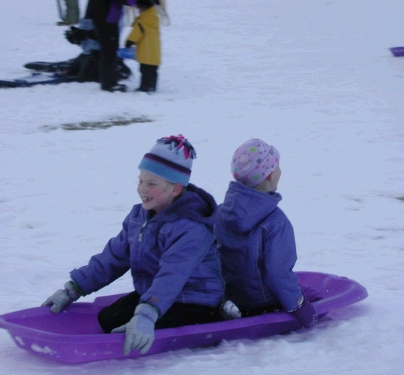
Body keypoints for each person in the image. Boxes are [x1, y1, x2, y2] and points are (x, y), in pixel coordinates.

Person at [43, 135, 224, 356]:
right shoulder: (140, 216)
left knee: (126, 331)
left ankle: (215, 316)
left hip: (194, 300)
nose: (142, 189)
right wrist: (73, 289)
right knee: (108, 319)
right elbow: (114, 257)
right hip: (156, 293)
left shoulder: (190, 227)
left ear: (175, 190)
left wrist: (146, 315)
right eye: (140, 181)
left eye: (151, 184)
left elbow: (172, 276)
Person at [214, 138, 318, 328]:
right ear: (270, 175)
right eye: (278, 167)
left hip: (231, 298)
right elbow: (278, 273)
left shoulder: (220, 213)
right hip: (262, 304)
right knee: (311, 295)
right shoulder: (276, 223)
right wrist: (299, 306)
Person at [85, 0, 136, 92]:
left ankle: (108, 81)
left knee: (109, 48)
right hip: (105, 15)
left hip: (104, 13)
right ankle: (109, 83)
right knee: (109, 49)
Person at [124, 0, 161, 92]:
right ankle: (152, 86)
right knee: (153, 70)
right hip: (154, 51)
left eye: (139, 7)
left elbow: (137, 33)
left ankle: (145, 87)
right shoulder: (153, 17)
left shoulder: (143, 20)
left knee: (145, 71)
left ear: (143, 7)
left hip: (146, 52)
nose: (138, 10)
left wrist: (129, 42)